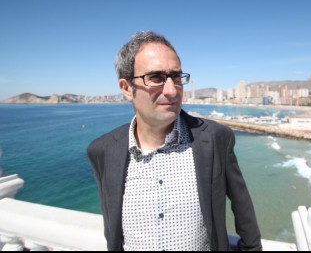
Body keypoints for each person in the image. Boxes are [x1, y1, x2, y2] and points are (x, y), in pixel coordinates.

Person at [87, 31, 262, 251]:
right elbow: (111, 226)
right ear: (126, 88)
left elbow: (242, 207)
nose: (171, 91)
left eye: (176, 77)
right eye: (156, 78)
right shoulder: (102, 151)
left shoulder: (216, 138)